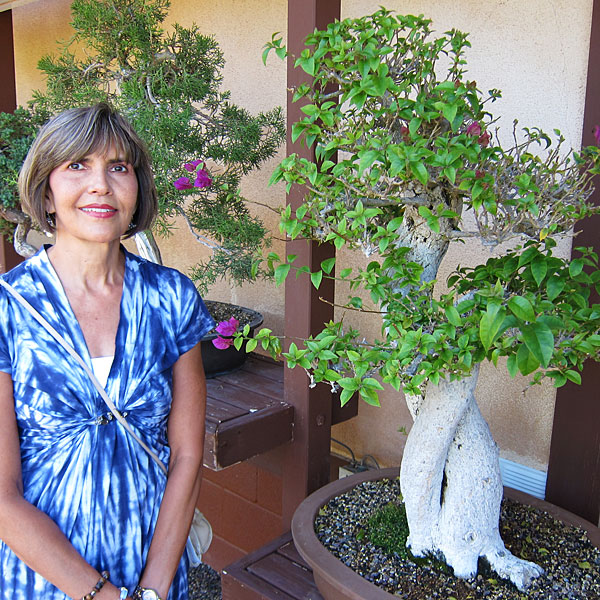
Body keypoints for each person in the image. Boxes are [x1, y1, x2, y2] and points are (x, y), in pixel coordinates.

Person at [0, 103, 214, 600]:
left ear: (136, 189)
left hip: (151, 570)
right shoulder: (9, 309)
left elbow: (185, 454)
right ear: (47, 193)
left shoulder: (171, 297)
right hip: (41, 580)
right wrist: (100, 595)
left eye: (118, 167)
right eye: (77, 165)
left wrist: (153, 590)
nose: (100, 184)